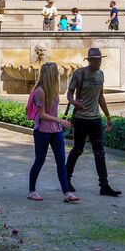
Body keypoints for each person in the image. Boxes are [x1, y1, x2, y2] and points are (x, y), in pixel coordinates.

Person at [66, 48, 121, 197]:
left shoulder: (101, 74)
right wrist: (73, 102)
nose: (99, 62)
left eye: (100, 59)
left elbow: (101, 97)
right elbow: (69, 93)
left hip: (95, 119)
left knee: (100, 152)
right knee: (78, 150)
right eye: (96, 60)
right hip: (81, 119)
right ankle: (66, 179)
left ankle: (104, 185)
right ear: (89, 60)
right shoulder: (79, 73)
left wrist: (108, 117)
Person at [27, 62, 80, 203]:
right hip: (42, 131)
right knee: (40, 160)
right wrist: (60, 121)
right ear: (50, 75)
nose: (58, 74)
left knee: (61, 161)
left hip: (55, 131)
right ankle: (32, 191)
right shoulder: (40, 91)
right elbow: (42, 115)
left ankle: (67, 193)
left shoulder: (53, 90)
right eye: (56, 72)